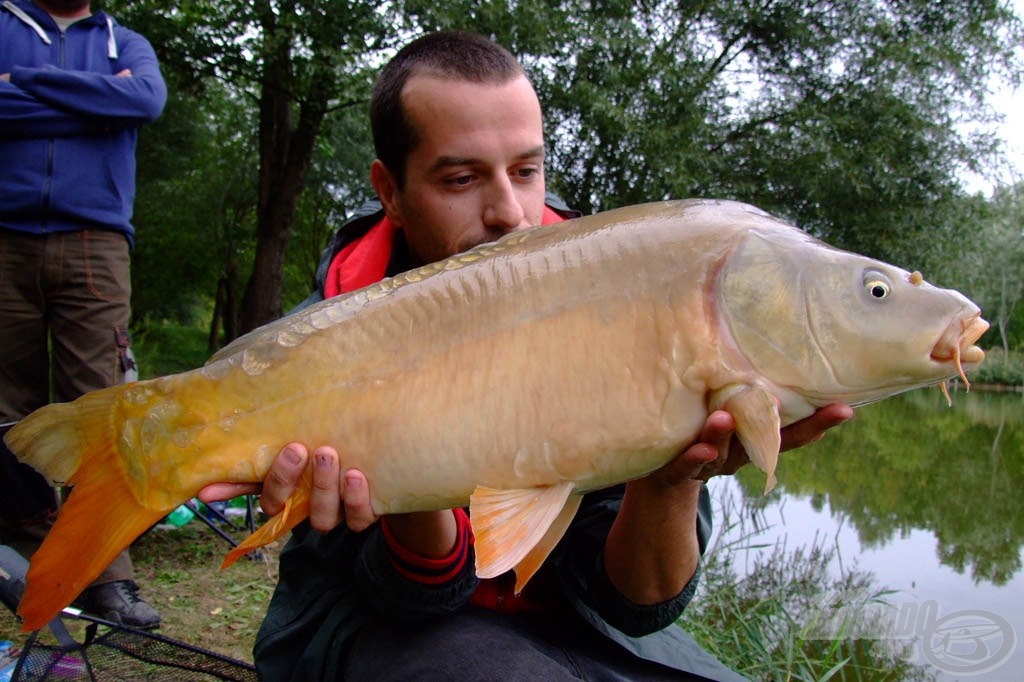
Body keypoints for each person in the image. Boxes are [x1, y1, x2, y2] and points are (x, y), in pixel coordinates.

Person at [201, 31, 852, 680]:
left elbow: (635, 607)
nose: (509, 213)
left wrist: (670, 479)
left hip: (568, 624)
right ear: (390, 191)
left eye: (526, 171)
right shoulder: (313, 355)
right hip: (375, 624)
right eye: (461, 178)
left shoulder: (633, 296)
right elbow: (409, 599)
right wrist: (407, 485)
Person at [0, 0, 166, 629]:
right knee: (3, 405)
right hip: (3, 234)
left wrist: (26, 83)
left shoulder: (128, 44)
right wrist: (96, 102)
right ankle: (17, 563)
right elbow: (118, 105)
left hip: (95, 240)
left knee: (99, 410)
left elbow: (144, 102)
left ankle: (108, 577)